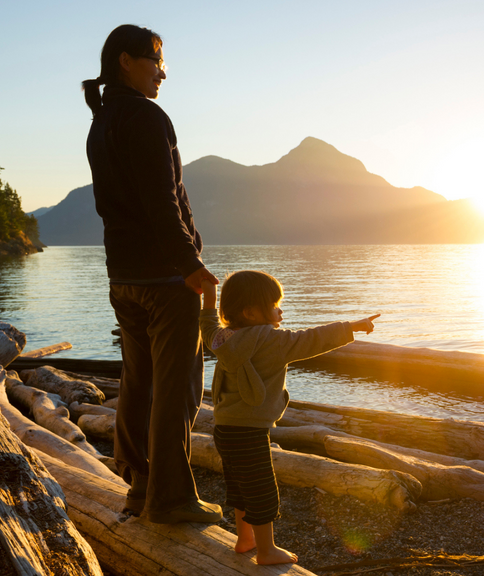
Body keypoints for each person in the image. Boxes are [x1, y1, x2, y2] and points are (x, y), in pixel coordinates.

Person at [82, 24, 222, 524]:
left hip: (124, 276)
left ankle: (141, 488)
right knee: (179, 387)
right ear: (125, 60)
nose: (162, 72)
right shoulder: (146, 115)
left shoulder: (103, 121)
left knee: (139, 383)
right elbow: (163, 202)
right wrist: (191, 266)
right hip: (166, 278)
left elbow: (116, 206)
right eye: (155, 60)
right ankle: (171, 499)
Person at [200, 270, 379, 565]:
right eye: (273, 305)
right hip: (251, 430)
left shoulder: (222, 338)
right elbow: (312, 340)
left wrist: (208, 294)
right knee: (262, 489)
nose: (279, 310)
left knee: (240, 484)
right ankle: (267, 550)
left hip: (224, 428)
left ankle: (245, 540)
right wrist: (351, 327)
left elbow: (206, 324)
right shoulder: (272, 341)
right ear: (251, 312)